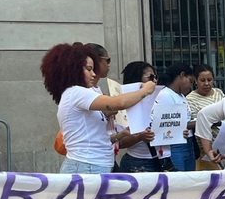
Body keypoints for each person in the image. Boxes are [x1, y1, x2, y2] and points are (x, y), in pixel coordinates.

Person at [41, 42, 155, 174]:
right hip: (87, 165)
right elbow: (119, 103)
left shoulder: (78, 93)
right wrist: (145, 90)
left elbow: (96, 138)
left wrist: (120, 134)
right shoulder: (76, 92)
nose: (93, 74)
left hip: (93, 165)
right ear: (73, 70)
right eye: (88, 69)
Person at [116, 61, 158, 172]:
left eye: (155, 77)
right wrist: (140, 137)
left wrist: (178, 132)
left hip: (162, 159)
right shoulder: (124, 105)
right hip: (138, 162)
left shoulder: (160, 98)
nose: (154, 81)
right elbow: (120, 143)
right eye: (150, 77)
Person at [188, 64, 225, 170]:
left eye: (209, 80)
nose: (206, 83)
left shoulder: (218, 92)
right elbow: (195, 122)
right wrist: (213, 121)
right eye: (202, 80)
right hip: (206, 149)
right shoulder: (190, 99)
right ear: (196, 81)